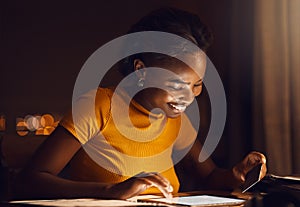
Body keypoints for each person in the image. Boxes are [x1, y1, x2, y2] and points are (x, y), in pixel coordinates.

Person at [12, 7, 267, 200]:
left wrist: (236, 175)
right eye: (177, 85)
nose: (188, 98)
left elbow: (210, 176)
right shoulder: (98, 106)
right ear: (141, 70)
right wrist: (112, 190)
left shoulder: (175, 120)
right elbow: (31, 180)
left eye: (196, 85)